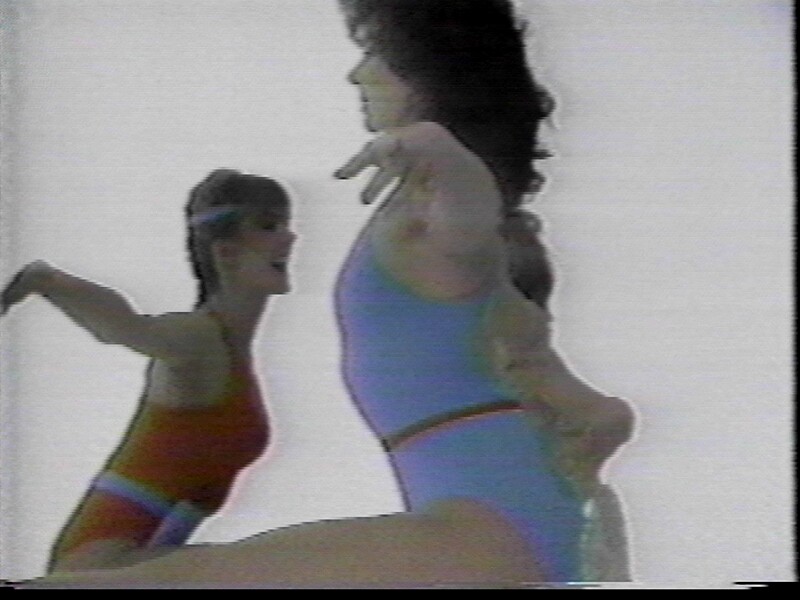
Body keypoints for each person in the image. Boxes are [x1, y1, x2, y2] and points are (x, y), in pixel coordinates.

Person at [19, 0, 635, 587]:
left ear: (429, 74)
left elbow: (467, 222)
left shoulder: (432, 220)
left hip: (495, 528)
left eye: (376, 55)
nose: (356, 73)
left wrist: (441, 150)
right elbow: (538, 361)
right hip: (526, 519)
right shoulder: (433, 224)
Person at [2, 169, 296, 573]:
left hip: (140, 561)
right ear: (226, 252)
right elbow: (127, 328)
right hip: (99, 563)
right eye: (268, 226)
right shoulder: (198, 339)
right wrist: (46, 281)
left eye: (285, 225)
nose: (289, 238)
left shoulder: (231, 352)